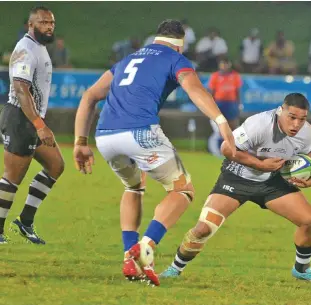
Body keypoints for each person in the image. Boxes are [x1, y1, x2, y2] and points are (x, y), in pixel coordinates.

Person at [73, 19, 236, 286]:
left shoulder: (128, 60)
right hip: (140, 132)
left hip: (106, 136)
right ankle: (145, 247)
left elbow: (90, 95)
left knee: (134, 187)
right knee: (182, 190)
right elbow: (195, 90)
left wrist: (80, 141)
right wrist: (221, 121)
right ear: (180, 44)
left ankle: (129, 254)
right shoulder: (175, 58)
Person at [161, 93, 311, 286]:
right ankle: (174, 269)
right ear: (280, 111)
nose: (296, 124)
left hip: (271, 181)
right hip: (237, 178)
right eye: (291, 117)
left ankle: (302, 270)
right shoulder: (259, 125)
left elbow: (306, 156)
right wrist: (260, 165)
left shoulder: (306, 132)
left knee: (309, 221)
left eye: (302, 119)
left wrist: (310, 176)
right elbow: (227, 148)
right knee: (203, 228)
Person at [0, 6, 64, 245]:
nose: (49, 26)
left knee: (56, 165)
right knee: (13, 177)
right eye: (44, 22)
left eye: (51, 23)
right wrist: (39, 124)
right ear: (31, 25)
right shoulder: (26, 49)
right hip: (20, 119)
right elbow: (20, 88)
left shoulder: (39, 48)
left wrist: (38, 122)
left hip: (30, 119)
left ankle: (25, 222)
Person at [207, 58, 243, 157]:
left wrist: (239, 104)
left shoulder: (235, 76)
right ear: (220, 65)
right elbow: (211, 91)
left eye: (226, 64)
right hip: (219, 103)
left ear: (229, 65)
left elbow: (238, 91)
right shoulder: (215, 76)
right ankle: (216, 151)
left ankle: (234, 150)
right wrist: (210, 105)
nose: (224, 66)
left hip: (231, 103)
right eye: (223, 64)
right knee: (218, 129)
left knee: (234, 128)